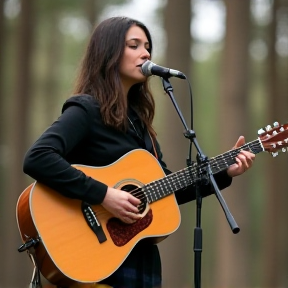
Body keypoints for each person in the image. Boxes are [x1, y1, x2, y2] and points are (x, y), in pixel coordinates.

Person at [23, 16, 255, 288]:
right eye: (134, 45)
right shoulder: (86, 109)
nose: (146, 53)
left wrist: (225, 172)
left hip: (141, 262)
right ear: (108, 52)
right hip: (97, 262)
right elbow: (38, 157)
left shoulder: (140, 124)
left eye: (147, 46)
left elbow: (169, 190)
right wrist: (104, 195)